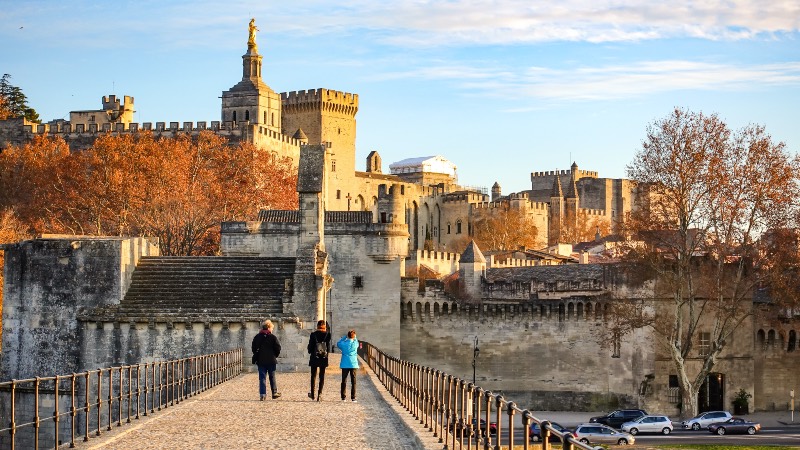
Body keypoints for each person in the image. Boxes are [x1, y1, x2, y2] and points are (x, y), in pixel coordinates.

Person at [251, 319, 281, 400]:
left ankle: (263, 394)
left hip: (261, 360)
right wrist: (275, 355)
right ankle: (274, 392)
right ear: (269, 328)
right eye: (272, 328)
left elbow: (253, 348)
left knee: (262, 378)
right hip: (271, 360)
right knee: (272, 377)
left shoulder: (257, 337)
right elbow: (278, 348)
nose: (272, 330)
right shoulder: (273, 337)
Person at [307, 320, 331, 401]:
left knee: (313, 376)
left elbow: (310, 346)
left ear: (317, 326)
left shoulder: (313, 335)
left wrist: (310, 351)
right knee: (322, 376)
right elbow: (328, 347)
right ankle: (319, 394)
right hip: (323, 357)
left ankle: (313, 394)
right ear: (324, 326)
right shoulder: (328, 335)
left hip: (314, 356)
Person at [337, 329, 359, 402]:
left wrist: (344, 337)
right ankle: (353, 397)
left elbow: (338, 343)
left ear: (348, 336)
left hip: (345, 364)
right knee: (354, 381)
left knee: (344, 380)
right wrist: (354, 337)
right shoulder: (355, 344)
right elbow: (356, 341)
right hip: (353, 364)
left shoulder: (343, 344)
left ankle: (343, 397)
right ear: (353, 336)